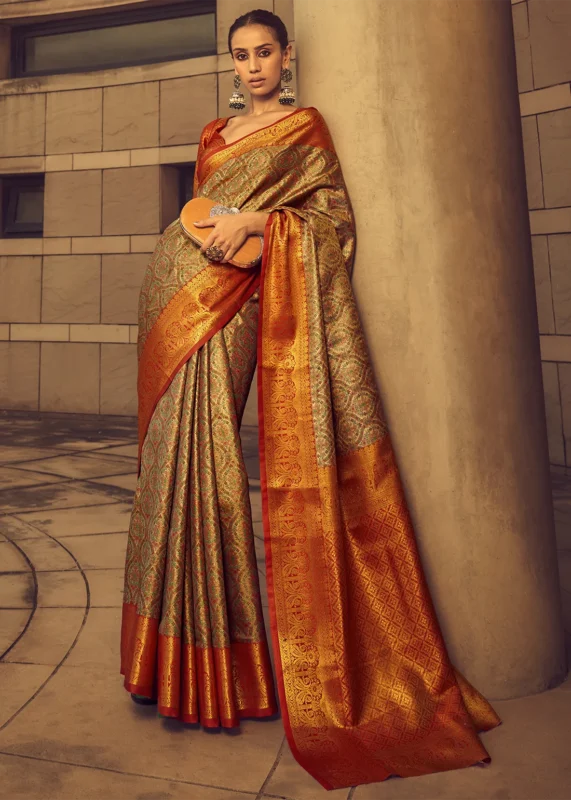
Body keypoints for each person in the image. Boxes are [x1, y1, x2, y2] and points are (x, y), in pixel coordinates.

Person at [120, 8, 500, 791]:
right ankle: (174, 665)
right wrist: (219, 230)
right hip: (176, 302)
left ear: (286, 58)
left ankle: (230, 670)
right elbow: (201, 220)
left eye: (264, 53)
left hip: (242, 301)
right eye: (240, 55)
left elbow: (330, 224)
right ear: (230, 63)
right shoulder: (213, 137)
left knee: (215, 461)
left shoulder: (305, 129)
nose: (252, 66)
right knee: (172, 466)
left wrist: (261, 221)